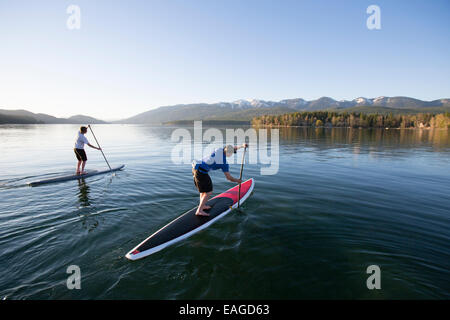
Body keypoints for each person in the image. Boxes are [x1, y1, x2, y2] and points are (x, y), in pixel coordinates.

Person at [192, 143, 248, 216]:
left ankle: (202, 206)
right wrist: (238, 180)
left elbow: (231, 148)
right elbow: (229, 178)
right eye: (232, 153)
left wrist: (242, 146)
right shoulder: (224, 163)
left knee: (203, 191)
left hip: (195, 168)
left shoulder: (219, 150)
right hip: (201, 173)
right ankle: (199, 210)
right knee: (208, 192)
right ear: (229, 153)